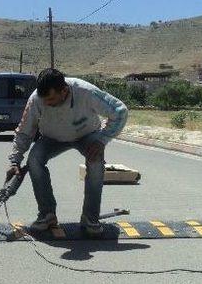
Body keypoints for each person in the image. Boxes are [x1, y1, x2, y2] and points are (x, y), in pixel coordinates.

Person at [7, 68, 128, 234]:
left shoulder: (85, 91)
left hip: (87, 135)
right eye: (45, 100)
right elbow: (24, 131)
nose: (48, 104)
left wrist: (102, 140)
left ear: (64, 91)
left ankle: (90, 218)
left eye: (51, 99)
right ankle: (47, 214)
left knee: (96, 161)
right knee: (34, 159)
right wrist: (15, 160)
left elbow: (120, 111)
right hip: (52, 138)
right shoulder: (36, 99)